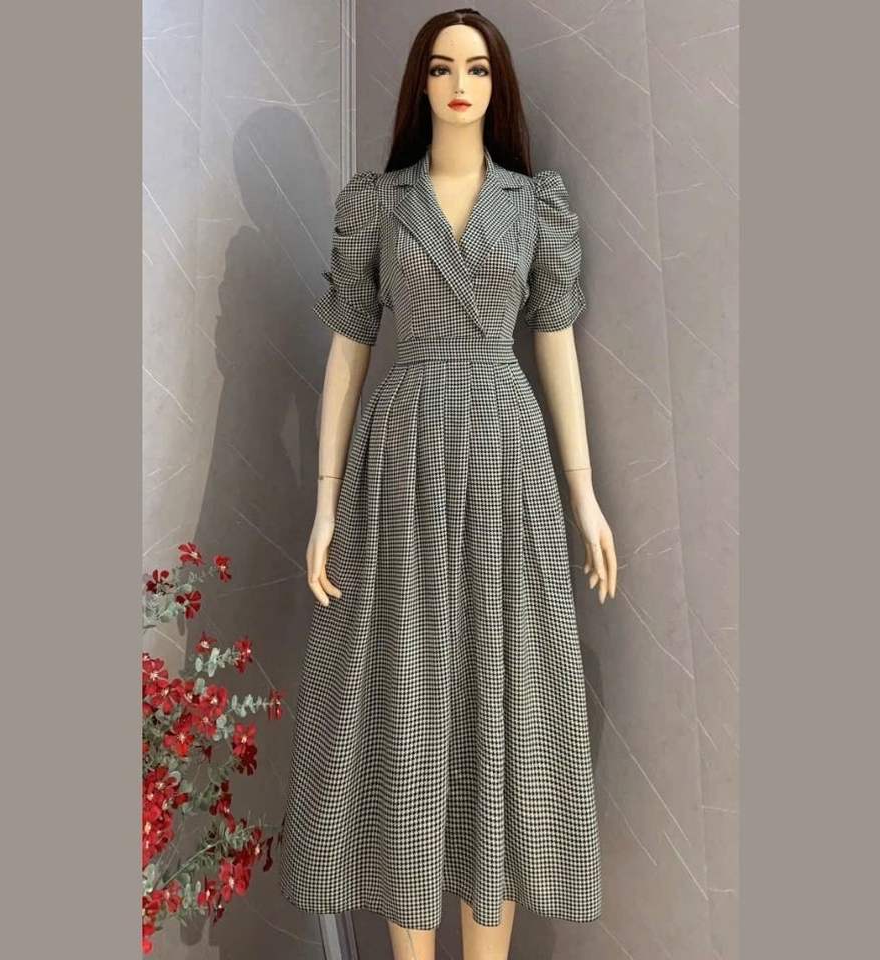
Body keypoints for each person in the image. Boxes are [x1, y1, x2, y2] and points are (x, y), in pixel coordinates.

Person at [276, 8, 618, 959]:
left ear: (497, 85)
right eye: (440, 67)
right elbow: (348, 350)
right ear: (419, 84)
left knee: (500, 696)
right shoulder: (379, 205)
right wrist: (324, 502)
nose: (459, 84)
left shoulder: (534, 205)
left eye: (476, 68)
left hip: (508, 459)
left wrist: (585, 494)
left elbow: (555, 347)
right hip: (401, 462)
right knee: (407, 696)